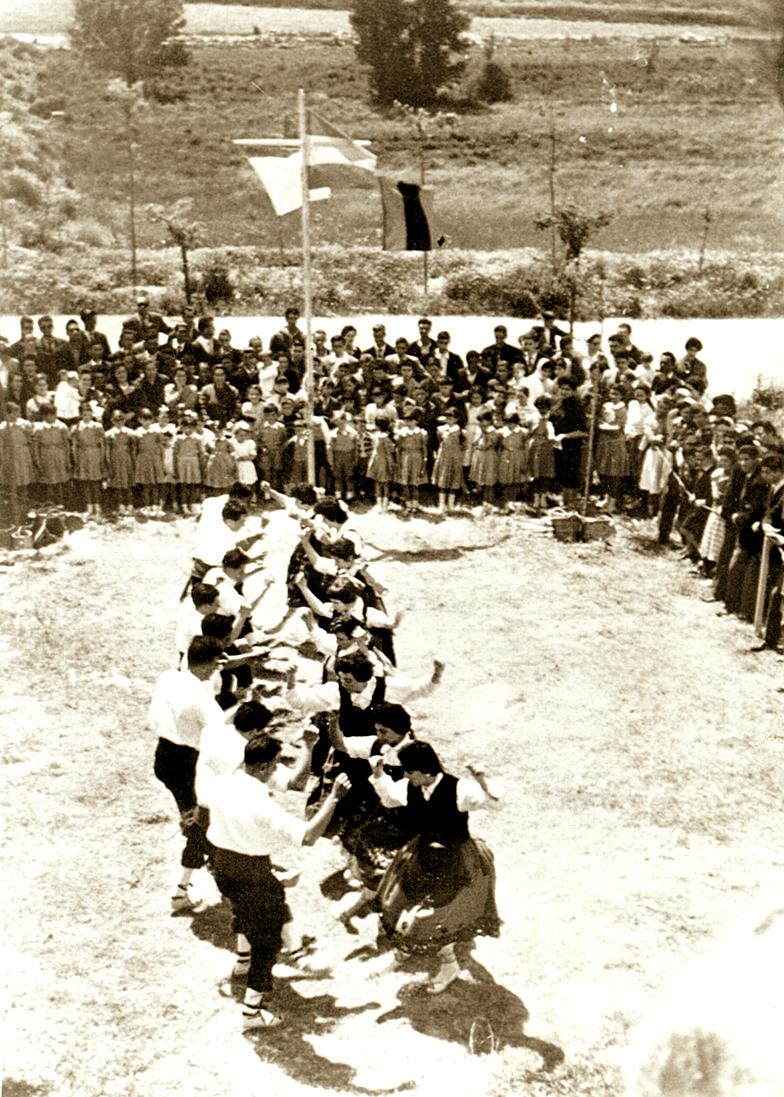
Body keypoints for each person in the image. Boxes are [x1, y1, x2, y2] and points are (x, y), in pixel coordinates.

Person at [202, 735, 352, 1030]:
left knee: (246, 910)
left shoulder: (222, 781)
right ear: (265, 766)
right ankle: (251, 1012)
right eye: (275, 764)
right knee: (268, 942)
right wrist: (333, 798)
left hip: (222, 863)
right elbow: (308, 836)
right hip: (251, 870)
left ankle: (242, 962)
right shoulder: (262, 806)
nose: (277, 768)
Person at [372, 741, 500, 993]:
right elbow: (388, 799)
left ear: (425, 771)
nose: (406, 776)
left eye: (409, 771)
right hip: (421, 857)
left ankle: (449, 966)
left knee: (436, 917)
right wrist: (378, 775)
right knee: (401, 903)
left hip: (456, 862)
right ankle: (402, 954)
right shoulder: (410, 786)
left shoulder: (460, 789)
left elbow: (493, 803)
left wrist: (483, 780)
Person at [148, 636, 225, 913]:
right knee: (200, 825)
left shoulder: (169, 677)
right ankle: (183, 889)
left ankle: (200, 875)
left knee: (197, 824)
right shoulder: (202, 701)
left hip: (164, 757)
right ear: (212, 663)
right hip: (187, 764)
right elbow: (223, 730)